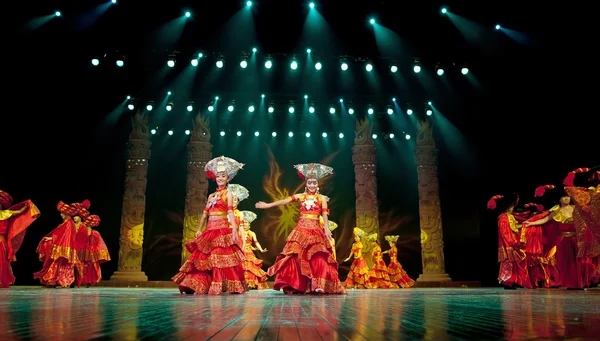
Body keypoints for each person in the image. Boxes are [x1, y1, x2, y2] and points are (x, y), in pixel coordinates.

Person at [256, 163, 345, 294]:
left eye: (314, 182)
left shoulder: (321, 198)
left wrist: (326, 228)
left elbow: (325, 214)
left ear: (318, 184)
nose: (312, 185)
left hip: (315, 228)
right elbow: (285, 201)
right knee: (295, 256)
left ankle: (318, 284)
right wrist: (268, 205)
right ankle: (298, 284)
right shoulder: (300, 196)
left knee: (317, 256)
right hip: (301, 229)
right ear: (306, 183)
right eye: (310, 182)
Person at [172, 156, 247, 294]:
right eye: (218, 176)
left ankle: (222, 285)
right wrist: (200, 230)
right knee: (202, 258)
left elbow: (230, 212)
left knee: (219, 258)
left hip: (222, 230)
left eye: (223, 176)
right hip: (210, 229)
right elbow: (205, 214)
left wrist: (234, 231)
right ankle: (193, 284)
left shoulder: (228, 194)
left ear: (228, 179)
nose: (220, 178)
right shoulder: (211, 196)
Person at [487, 193, 530, 289]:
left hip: (512, 240)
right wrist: (512, 242)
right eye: (509, 206)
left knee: (515, 262)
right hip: (507, 242)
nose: (511, 208)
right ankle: (507, 282)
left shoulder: (510, 216)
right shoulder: (503, 217)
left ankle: (514, 280)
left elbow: (513, 228)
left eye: (512, 206)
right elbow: (505, 232)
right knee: (508, 263)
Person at [34, 201, 80, 287]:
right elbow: (61, 235)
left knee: (60, 264)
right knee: (62, 265)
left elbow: (65, 236)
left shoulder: (69, 223)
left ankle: (55, 281)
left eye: (62, 213)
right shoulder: (67, 223)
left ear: (67, 214)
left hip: (65, 247)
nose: (61, 215)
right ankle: (64, 281)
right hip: (66, 247)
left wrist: (51, 239)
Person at [0, 190, 40, 288]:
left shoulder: (7, 213)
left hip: (0, 242)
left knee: (1, 262)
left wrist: (26, 206)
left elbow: (20, 212)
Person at [239, 210, 269, 290]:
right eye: (243, 222)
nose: (245, 224)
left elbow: (256, 242)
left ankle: (250, 284)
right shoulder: (239, 232)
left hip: (249, 251)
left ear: (249, 224)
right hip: (240, 250)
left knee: (250, 267)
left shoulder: (252, 233)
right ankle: (242, 283)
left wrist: (261, 250)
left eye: (246, 223)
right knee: (242, 267)